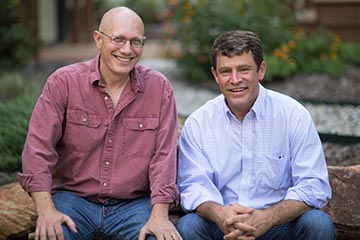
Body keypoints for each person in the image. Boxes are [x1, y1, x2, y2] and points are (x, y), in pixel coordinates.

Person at [17, 6, 182, 240]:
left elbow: (164, 158)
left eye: (136, 42)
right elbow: (37, 148)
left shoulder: (159, 88)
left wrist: (160, 214)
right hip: (73, 200)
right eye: (118, 39)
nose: (127, 50)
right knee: (52, 235)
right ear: (98, 39)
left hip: (133, 205)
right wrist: (46, 211)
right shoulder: (64, 82)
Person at [175, 30, 336, 240]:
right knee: (190, 227)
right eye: (226, 71)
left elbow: (314, 185)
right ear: (215, 75)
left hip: (278, 225)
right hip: (223, 226)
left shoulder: (292, 115)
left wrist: (267, 217)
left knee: (318, 224)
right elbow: (192, 185)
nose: (235, 79)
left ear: (261, 70)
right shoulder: (198, 123)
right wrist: (221, 214)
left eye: (243, 69)